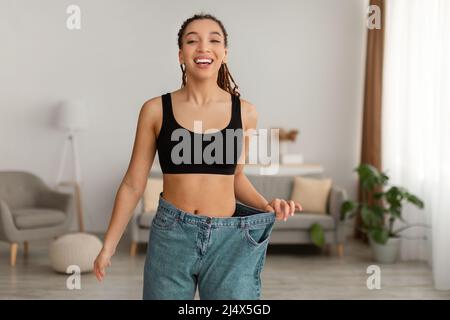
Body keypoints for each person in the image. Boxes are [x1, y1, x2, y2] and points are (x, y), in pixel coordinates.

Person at [93, 13, 302, 300]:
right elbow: (133, 183)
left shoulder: (246, 112)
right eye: (192, 41)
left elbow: (235, 177)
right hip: (172, 235)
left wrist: (268, 205)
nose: (203, 47)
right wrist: (109, 245)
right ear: (181, 54)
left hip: (231, 239)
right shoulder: (155, 110)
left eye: (214, 40)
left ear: (224, 54)